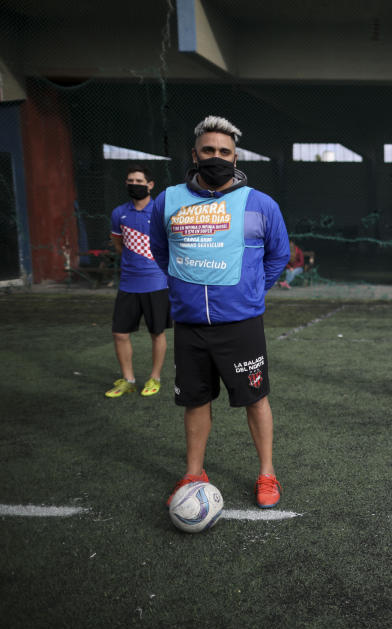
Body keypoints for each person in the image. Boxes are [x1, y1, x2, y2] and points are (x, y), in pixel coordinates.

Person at [150, 115, 290, 509]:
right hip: (190, 325)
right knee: (195, 401)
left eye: (224, 152)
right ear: (194, 154)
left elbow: (278, 254)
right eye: (209, 150)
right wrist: (184, 288)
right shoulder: (168, 200)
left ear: (236, 157)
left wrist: (251, 290)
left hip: (241, 323)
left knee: (255, 398)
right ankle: (194, 472)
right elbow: (161, 250)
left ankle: (266, 473)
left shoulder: (260, 204)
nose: (216, 157)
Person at [105, 165, 172, 398]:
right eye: (130, 180)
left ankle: (155, 378)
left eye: (139, 180)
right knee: (120, 334)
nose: (134, 184)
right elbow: (118, 245)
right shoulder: (118, 213)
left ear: (150, 185)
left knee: (157, 333)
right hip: (128, 284)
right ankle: (129, 380)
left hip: (156, 284)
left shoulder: (161, 212)